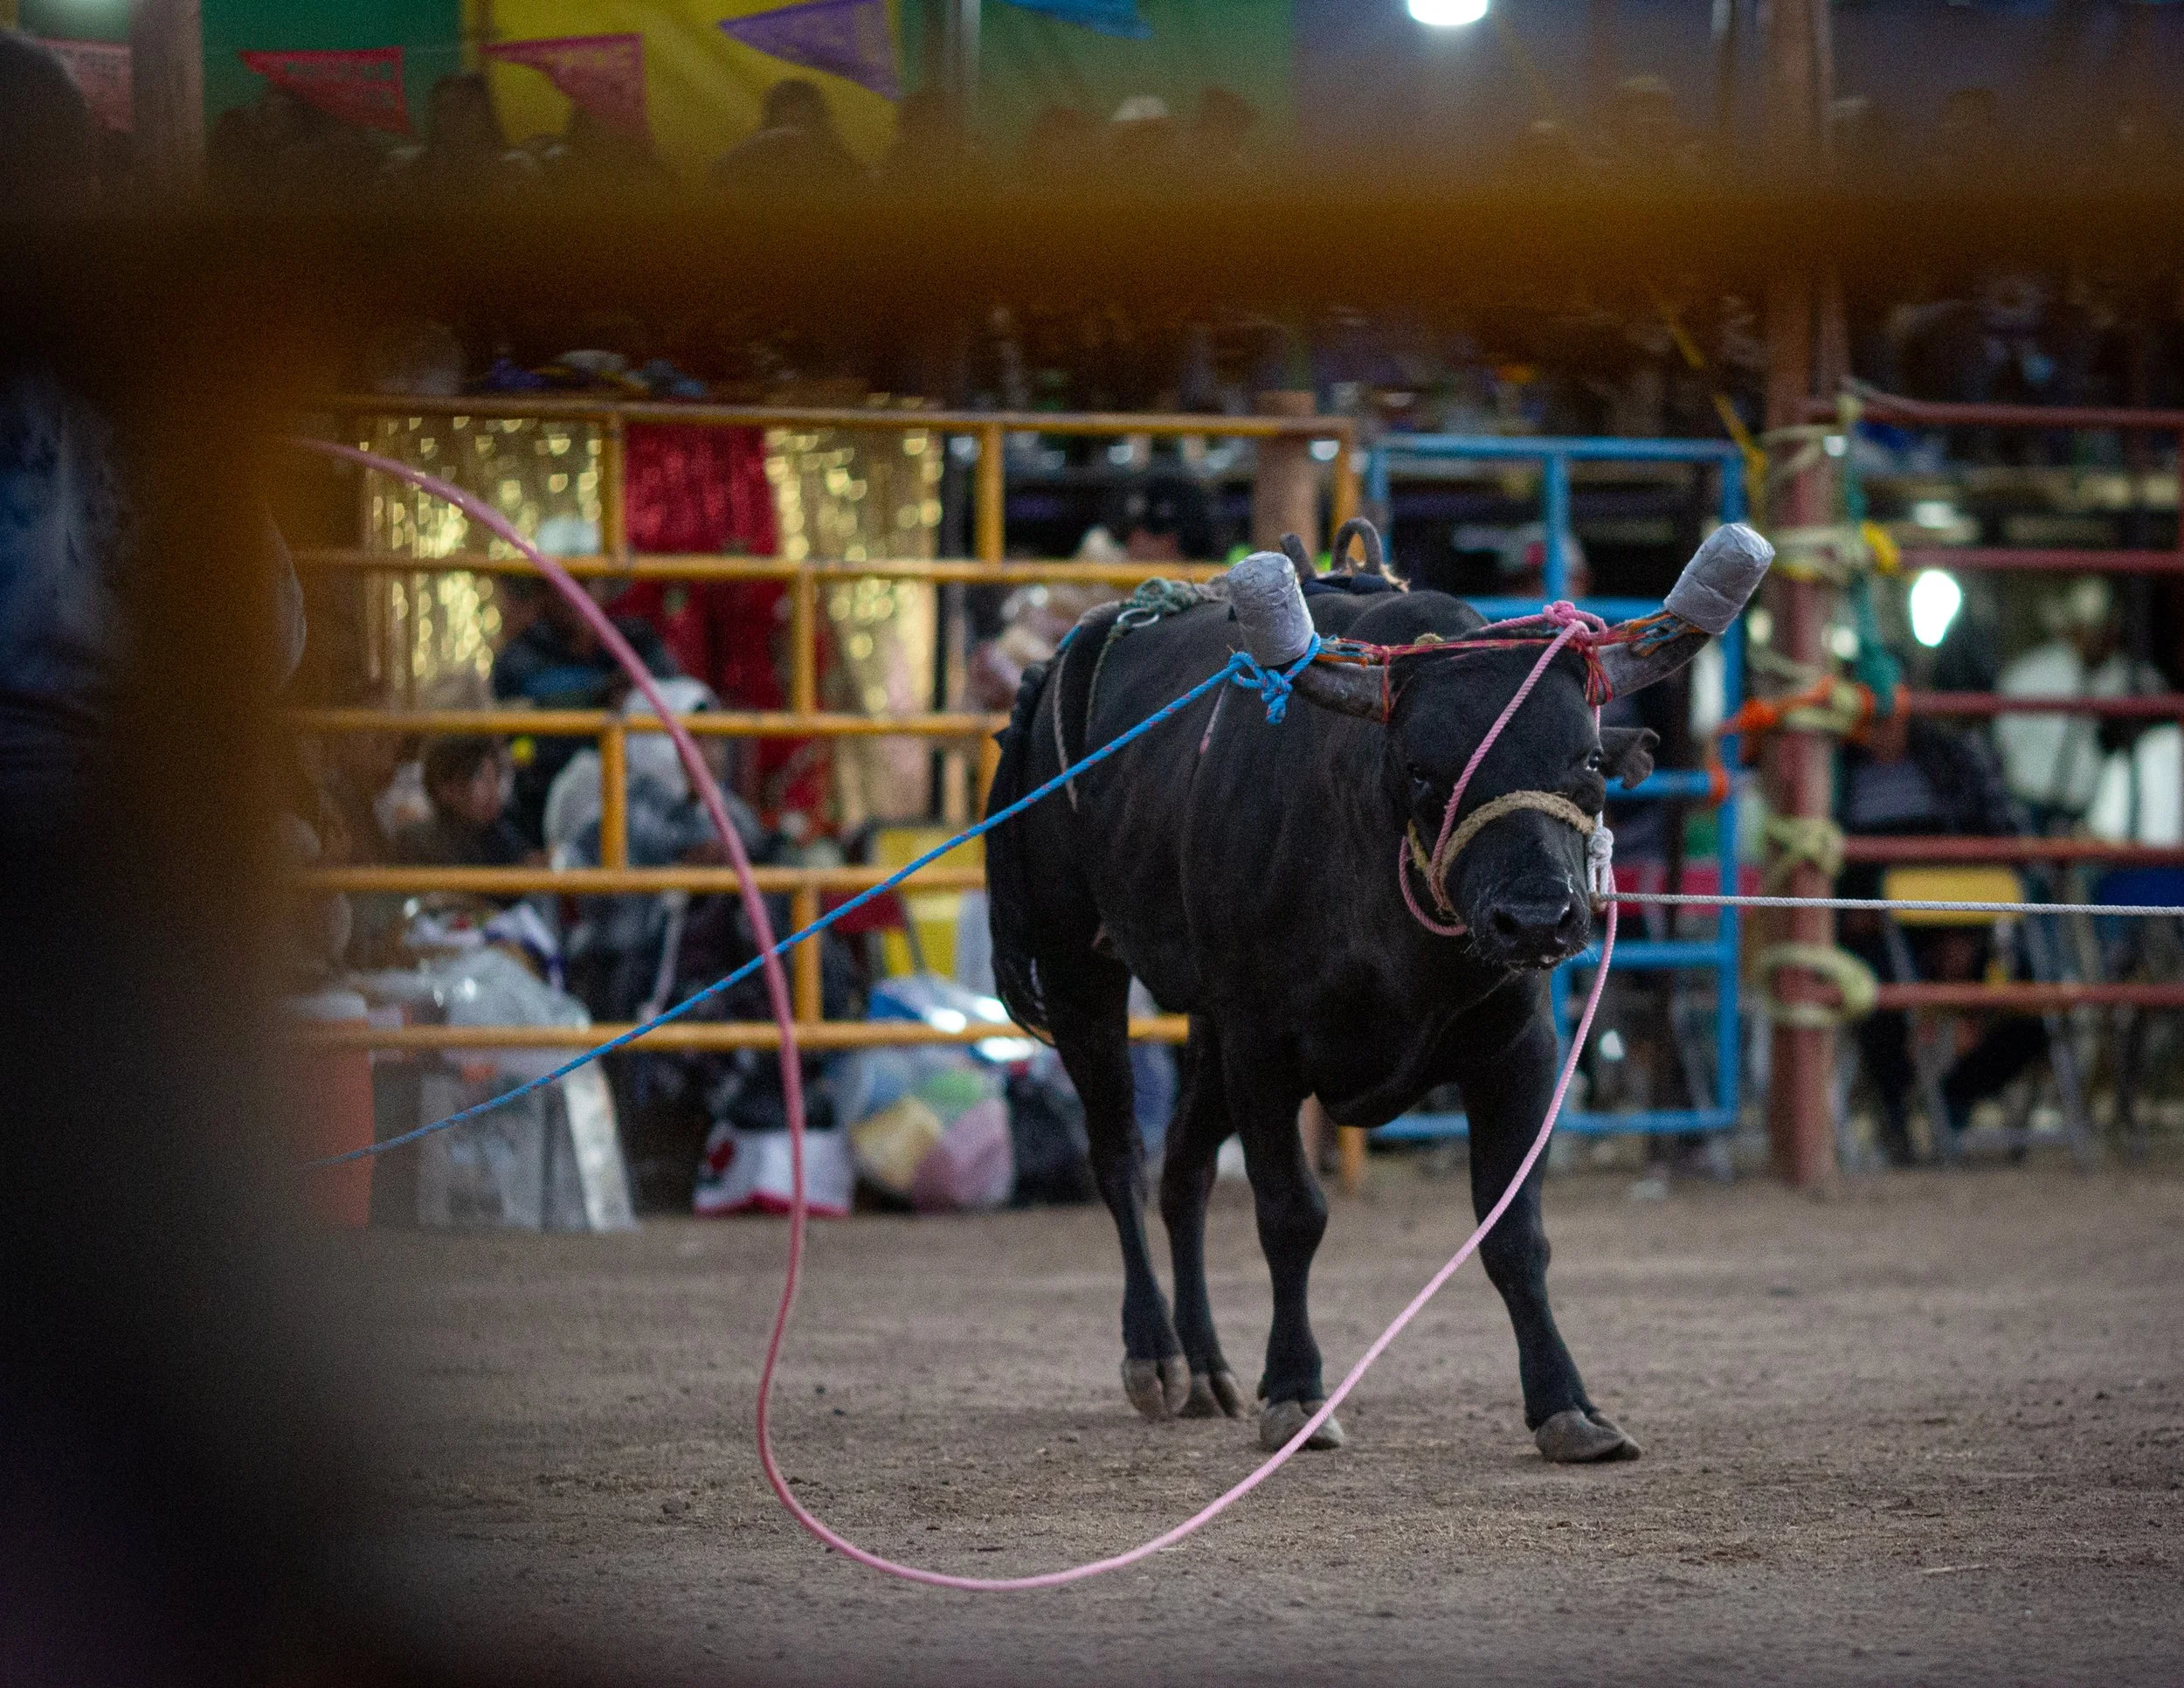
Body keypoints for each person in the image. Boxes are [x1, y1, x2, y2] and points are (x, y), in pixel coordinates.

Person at [1835, 700, 2047, 1165]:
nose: (1878, 730)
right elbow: (1831, 878)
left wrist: (1968, 930)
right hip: (1875, 924)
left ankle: (1953, 1097)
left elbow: (2001, 843)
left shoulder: (1954, 758)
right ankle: (1900, 1112)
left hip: (1964, 922)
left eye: (1886, 713)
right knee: (1874, 987)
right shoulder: (1837, 768)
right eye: (1867, 717)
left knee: (2040, 999)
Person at [490, 577, 679, 843]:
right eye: (561, 585)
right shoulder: (519, 659)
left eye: (584, 582)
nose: (572, 594)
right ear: (542, 593)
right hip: (539, 806)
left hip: (640, 800)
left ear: (602, 588)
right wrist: (597, 697)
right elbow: (513, 743)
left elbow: (678, 699)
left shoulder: (637, 643)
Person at [1994, 577, 2167, 827]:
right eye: (2085, 627)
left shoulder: (2142, 682)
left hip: (2104, 815)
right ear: (2069, 627)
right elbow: (2003, 743)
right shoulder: (2028, 676)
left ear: (2114, 631)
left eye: (2100, 628)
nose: (2092, 636)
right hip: (2033, 807)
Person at [390, 735, 534, 868]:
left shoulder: (503, 833)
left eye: (496, 775)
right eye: (479, 778)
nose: (492, 791)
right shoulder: (417, 843)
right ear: (445, 788)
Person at [709, 79, 864, 193]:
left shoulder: (835, 158)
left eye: (801, 116)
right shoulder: (753, 154)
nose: (795, 113)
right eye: (788, 107)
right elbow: (719, 176)